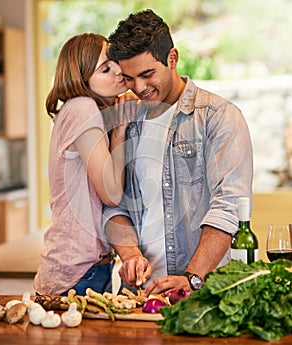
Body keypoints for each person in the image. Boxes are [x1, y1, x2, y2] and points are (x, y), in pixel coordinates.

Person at [104, 9, 253, 296]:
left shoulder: (218, 117)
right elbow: (114, 206)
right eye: (129, 78)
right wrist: (130, 254)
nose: (139, 88)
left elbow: (228, 207)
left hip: (202, 293)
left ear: (172, 58)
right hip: (139, 296)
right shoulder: (126, 123)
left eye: (147, 75)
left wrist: (192, 277)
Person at [33, 33, 136, 296]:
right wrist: (121, 129)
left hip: (90, 268)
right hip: (75, 273)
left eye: (115, 62)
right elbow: (112, 194)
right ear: (81, 78)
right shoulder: (82, 108)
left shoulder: (78, 110)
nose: (118, 71)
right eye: (105, 69)